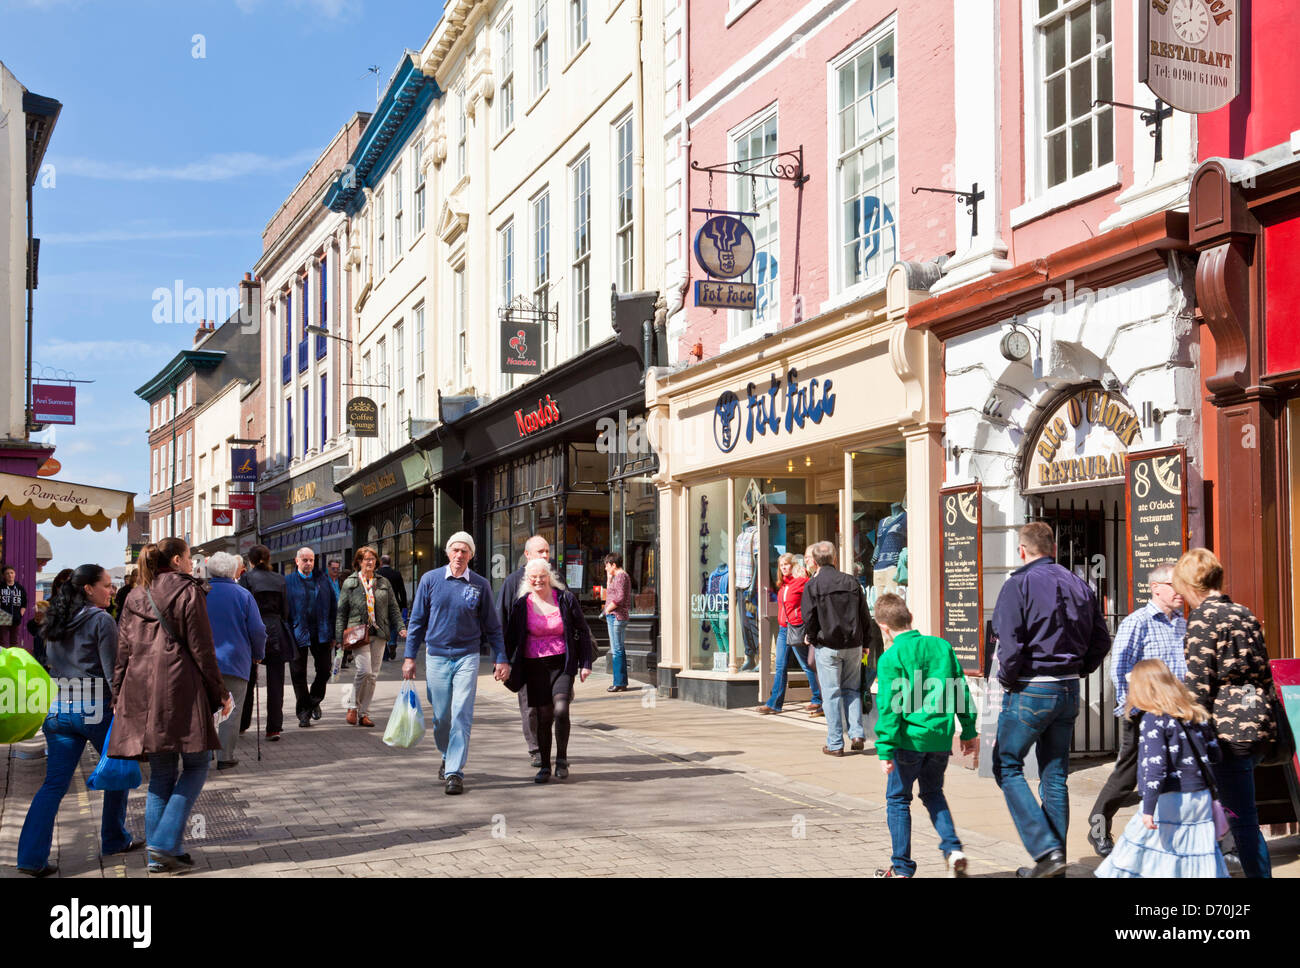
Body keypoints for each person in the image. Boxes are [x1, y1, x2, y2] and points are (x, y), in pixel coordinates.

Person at [991, 521, 1112, 878]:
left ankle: (1046, 852)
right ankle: (1054, 863)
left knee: (1007, 764)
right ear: (1054, 549)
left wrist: (1007, 678)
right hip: (1067, 688)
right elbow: (1101, 640)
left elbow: (1009, 645)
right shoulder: (1080, 584)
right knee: (1055, 775)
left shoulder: (1018, 584)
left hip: (1031, 688)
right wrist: (1080, 668)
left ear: (1022, 550)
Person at [111, 539, 232, 873]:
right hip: (180, 690)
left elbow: (122, 653)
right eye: (190, 558)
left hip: (140, 693)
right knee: (196, 765)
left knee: (162, 774)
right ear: (177, 560)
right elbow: (203, 650)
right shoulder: (189, 592)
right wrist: (220, 692)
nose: (192, 563)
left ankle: (160, 856)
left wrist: (117, 696)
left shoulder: (135, 595)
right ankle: (164, 843)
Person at [15, 564, 139, 877]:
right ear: (88, 588)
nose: (111, 591)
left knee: (53, 785)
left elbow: (51, 664)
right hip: (95, 707)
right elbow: (113, 670)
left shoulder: (55, 619)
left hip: (58, 710)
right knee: (117, 772)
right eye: (107, 585)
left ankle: (30, 858)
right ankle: (113, 839)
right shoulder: (101, 620)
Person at [1175, 547, 1279, 879]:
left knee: (1242, 820)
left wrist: (1183, 733)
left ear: (1191, 585)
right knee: (1236, 813)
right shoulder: (1244, 613)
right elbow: (1264, 673)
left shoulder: (1204, 618)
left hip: (1228, 731)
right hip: (1258, 725)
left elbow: (1199, 687)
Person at [871, 593, 977, 878]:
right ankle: (953, 850)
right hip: (940, 739)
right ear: (910, 619)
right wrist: (968, 730)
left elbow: (890, 706)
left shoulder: (891, 657)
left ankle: (902, 869)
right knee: (933, 793)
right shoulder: (942, 647)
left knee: (898, 800)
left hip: (908, 741)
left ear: (884, 626)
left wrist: (885, 748)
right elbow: (960, 689)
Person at [1093, 659, 1228, 878]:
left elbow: (1155, 768)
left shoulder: (1153, 719)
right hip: (1200, 797)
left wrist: (1147, 807)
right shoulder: (1196, 714)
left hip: (1168, 799)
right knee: (1193, 856)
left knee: (1138, 854)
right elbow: (1215, 754)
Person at [1087, 561, 1186, 857]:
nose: (1180, 590)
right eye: (1174, 584)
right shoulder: (1137, 621)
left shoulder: (1183, 621)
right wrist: (1136, 706)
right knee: (1127, 774)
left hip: (1179, 712)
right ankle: (1098, 829)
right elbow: (1119, 669)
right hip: (1144, 712)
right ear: (1156, 588)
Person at [403, 532, 507, 795]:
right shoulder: (430, 580)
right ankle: (446, 753)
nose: (459, 555)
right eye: (455, 550)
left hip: (467, 656)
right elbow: (416, 622)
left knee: (462, 713)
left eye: (465, 551)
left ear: (471, 555)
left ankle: (454, 772)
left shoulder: (480, 585)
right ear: (448, 553)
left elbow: (493, 627)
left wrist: (502, 658)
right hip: (436, 655)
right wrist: (409, 657)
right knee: (441, 717)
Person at [504, 558, 594, 782]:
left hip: (562, 663)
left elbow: (582, 631)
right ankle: (545, 766)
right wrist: (502, 662)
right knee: (543, 716)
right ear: (528, 579)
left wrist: (585, 663)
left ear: (549, 577)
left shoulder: (565, 599)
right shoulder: (521, 605)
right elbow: (511, 638)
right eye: (533, 577)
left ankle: (561, 760)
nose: (538, 580)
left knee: (561, 709)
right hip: (535, 666)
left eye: (542, 576)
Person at [801, 541, 879, 756]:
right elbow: (865, 615)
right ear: (834, 560)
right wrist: (866, 643)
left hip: (827, 646)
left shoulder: (813, 585)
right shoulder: (851, 581)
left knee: (831, 694)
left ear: (815, 562)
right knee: (851, 690)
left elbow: (809, 617)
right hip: (854, 644)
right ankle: (856, 733)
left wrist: (810, 636)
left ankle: (835, 743)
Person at [204, 552, 266, 770]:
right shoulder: (243, 595)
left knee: (205, 707)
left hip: (204, 663)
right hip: (235, 660)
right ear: (234, 571)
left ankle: (204, 753)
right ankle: (225, 756)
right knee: (231, 708)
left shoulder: (200, 593)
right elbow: (258, 630)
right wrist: (258, 653)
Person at [337, 545, 406, 726]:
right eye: (366, 559)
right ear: (359, 562)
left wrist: (400, 626)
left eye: (372, 559)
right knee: (364, 670)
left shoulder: (383, 582)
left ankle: (364, 713)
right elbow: (341, 612)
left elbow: (393, 607)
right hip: (358, 632)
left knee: (373, 675)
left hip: (379, 631)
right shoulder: (350, 583)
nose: (370, 562)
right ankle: (352, 706)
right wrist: (338, 638)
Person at [495, 535, 549, 766]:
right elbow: (501, 621)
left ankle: (545, 743)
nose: (546, 555)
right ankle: (536, 749)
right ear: (527, 555)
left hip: (552, 655)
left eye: (547, 551)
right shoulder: (512, 582)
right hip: (524, 655)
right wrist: (501, 657)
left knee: (552, 706)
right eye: (540, 551)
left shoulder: (555, 580)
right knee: (530, 706)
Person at [756, 553, 823, 716]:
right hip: (783, 630)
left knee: (807, 665)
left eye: (787, 564)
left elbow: (811, 599)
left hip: (796, 628)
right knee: (780, 666)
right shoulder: (783, 585)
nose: (784, 567)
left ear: (793, 565)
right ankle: (774, 704)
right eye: (781, 565)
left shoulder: (801, 582)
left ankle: (818, 699)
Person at [239, 545, 292, 741]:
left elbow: (243, 607)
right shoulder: (280, 579)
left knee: (248, 679)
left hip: (253, 629)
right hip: (276, 629)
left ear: (250, 560)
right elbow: (286, 609)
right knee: (276, 681)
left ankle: (243, 723)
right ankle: (274, 727)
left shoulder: (247, 578)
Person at [284, 547, 337, 728]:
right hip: (297, 632)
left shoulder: (322, 580)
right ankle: (303, 713)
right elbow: (283, 609)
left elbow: (333, 606)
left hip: (321, 632)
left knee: (324, 670)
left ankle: (313, 700)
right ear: (296, 561)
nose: (308, 563)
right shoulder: (288, 581)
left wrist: (334, 633)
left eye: (311, 560)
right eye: (305, 560)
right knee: (298, 673)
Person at [601, 552, 632, 693]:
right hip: (614, 616)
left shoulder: (621, 576)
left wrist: (608, 609)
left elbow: (619, 598)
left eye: (607, 566)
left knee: (616, 650)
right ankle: (621, 682)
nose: (606, 568)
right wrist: (608, 580)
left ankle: (618, 682)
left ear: (613, 564)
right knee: (618, 649)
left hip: (616, 616)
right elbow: (612, 594)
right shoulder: (617, 577)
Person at [376, 554, 408, 662]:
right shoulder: (396, 574)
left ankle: (384, 652)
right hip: (395, 604)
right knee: (394, 626)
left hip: (380, 605)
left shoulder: (377, 574)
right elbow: (402, 591)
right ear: (390, 563)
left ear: (381, 562)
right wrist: (404, 605)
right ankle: (392, 643)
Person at [1, 564, 29, 649]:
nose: (10, 575)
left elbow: (24, 603)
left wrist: (20, 614)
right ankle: (2, 661)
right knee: (2, 642)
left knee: (14, 642)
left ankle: (13, 660)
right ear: (4, 576)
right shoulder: (1, 587)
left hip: (16, 618)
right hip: (3, 617)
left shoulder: (20, 588)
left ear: (15, 574)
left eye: (11, 573)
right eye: (7, 573)